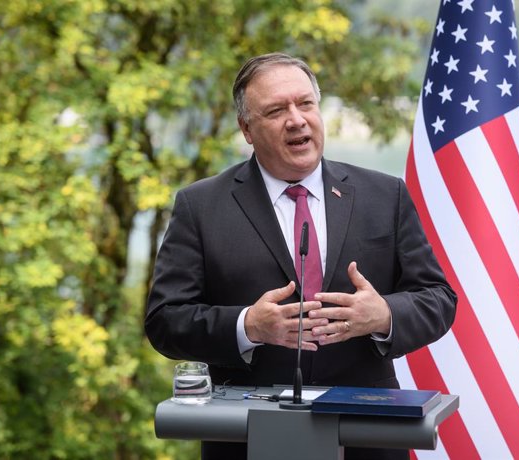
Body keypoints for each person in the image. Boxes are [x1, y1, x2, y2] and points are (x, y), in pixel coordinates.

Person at [145, 52, 457, 460]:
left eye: (305, 103)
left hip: (368, 436)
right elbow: (165, 320)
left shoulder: (385, 195)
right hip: (245, 438)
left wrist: (383, 315)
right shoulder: (201, 206)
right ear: (247, 129)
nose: (296, 119)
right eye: (276, 110)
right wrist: (247, 326)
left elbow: (438, 298)